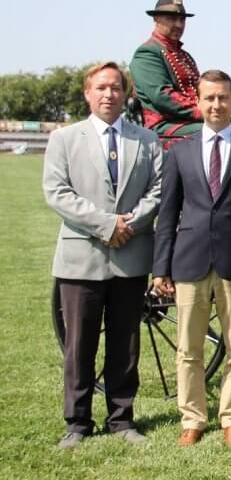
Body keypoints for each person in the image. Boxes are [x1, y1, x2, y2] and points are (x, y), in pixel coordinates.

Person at [43, 62, 162, 450]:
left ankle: (121, 418)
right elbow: (57, 193)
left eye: (115, 87)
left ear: (126, 93)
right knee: (80, 343)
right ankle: (77, 422)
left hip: (130, 257)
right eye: (101, 87)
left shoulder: (146, 140)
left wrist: (132, 222)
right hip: (81, 258)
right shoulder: (64, 139)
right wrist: (106, 225)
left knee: (125, 343)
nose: (109, 94)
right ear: (87, 93)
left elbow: (158, 191)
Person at [152, 70, 231, 447]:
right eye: (209, 98)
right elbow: (167, 214)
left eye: (223, 98)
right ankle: (192, 418)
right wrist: (161, 267)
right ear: (199, 103)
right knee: (189, 349)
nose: (217, 105)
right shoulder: (180, 152)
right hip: (189, 262)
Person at [129, 0, 202, 146]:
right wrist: (203, 112)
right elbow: (162, 96)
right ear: (156, 19)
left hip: (191, 123)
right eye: (171, 18)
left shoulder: (186, 56)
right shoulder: (147, 53)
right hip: (163, 128)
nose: (178, 24)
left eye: (182, 19)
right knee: (215, 133)